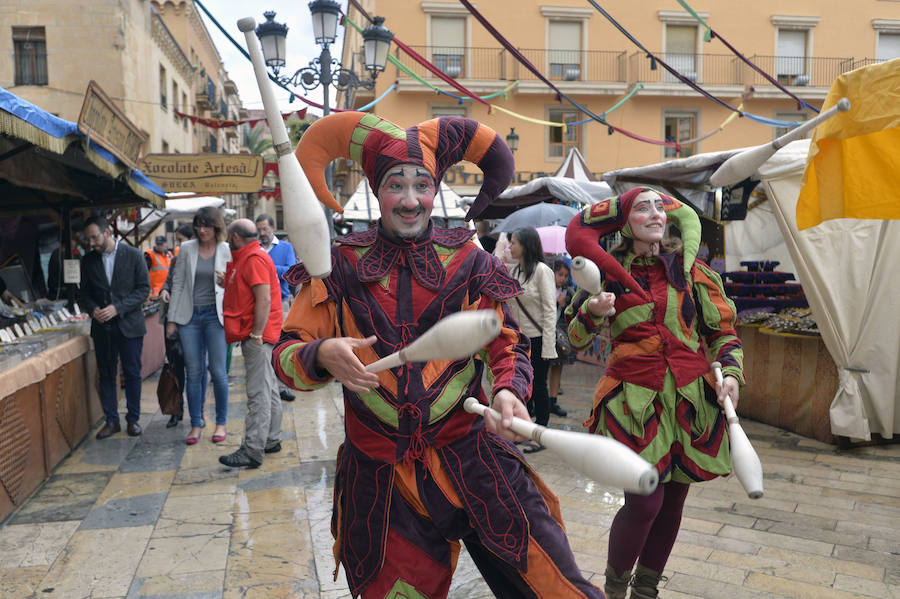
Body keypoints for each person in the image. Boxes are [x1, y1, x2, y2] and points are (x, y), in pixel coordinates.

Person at [272, 112, 603, 599]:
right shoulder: (338, 267)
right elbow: (285, 357)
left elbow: (507, 341)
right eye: (395, 185)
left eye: (421, 185)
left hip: (475, 461)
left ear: (436, 189)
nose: (410, 200)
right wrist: (321, 354)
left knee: (555, 588)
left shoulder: (471, 261)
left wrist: (510, 391)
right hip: (385, 487)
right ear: (375, 190)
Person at [565, 186, 744, 599]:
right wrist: (593, 313)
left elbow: (722, 331)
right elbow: (572, 339)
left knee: (673, 501)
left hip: (689, 399)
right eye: (642, 208)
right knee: (645, 501)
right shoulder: (602, 271)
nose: (655, 214)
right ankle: (614, 590)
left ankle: (646, 591)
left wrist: (731, 372)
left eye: (660, 208)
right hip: (634, 403)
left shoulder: (692, 271)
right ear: (624, 223)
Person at [218, 219, 284, 469]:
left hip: (258, 334)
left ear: (235, 236)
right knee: (268, 387)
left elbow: (263, 299)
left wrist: (256, 333)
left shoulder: (253, 258)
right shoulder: (250, 256)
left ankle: (252, 449)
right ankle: (271, 439)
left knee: (258, 392)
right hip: (261, 332)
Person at [79, 215, 150, 439]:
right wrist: (93, 310)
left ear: (107, 233)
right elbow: (84, 294)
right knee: (106, 373)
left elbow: (143, 289)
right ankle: (111, 420)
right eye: (88, 239)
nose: (91, 243)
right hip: (102, 328)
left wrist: (117, 308)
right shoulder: (88, 261)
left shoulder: (134, 255)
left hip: (129, 324)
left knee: (131, 373)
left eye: (94, 238)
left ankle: (133, 420)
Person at [166, 207, 231, 446]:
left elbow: (235, 284)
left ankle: (221, 423)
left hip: (216, 317)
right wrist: (172, 320)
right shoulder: (186, 249)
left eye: (207, 226)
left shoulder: (227, 250)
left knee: (218, 372)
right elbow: (179, 284)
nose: (202, 230)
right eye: (199, 226)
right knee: (193, 372)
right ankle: (195, 424)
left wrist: (228, 282)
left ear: (216, 227)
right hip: (189, 317)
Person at [506, 227, 558, 444]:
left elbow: (550, 309)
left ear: (525, 245)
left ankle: (542, 431)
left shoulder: (542, 271)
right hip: (519, 340)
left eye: (514, 243)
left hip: (537, 339)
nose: (510, 246)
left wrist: (548, 346)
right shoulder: (514, 272)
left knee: (538, 386)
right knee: (521, 384)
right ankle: (525, 427)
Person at [158, 223, 202, 428]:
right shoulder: (175, 261)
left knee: (197, 369)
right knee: (176, 368)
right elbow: (168, 282)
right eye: (176, 241)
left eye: (180, 240)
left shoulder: (203, 261)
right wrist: (164, 291)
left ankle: (198, 412)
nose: (178, 244)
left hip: (194, 322)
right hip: (173, 323)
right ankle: (177, 410)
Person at [254, 213, 297, 402]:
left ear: (272, 228)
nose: (262, 233)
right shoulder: (254, 248)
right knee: (262, 347)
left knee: (280, 345)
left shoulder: (285, 247)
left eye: (265, 229)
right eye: (259, 229)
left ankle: (281, 386)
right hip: (257, 304)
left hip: (279, 302)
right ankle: (267, 385)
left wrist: (268, 264)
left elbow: (291, 271)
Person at [547, 257, 574, 418]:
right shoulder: (545, 289)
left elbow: (571, 314)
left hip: (560, 336)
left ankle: (553, 401)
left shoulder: (568, 292)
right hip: (546, 334)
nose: (562, 278)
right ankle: (540, 400)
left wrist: (564, 305)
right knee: (544, 368)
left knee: (558, 367)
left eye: (565, 275)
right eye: (559, 274)